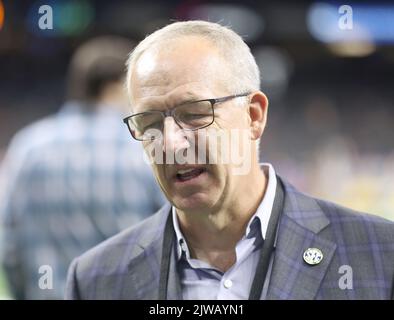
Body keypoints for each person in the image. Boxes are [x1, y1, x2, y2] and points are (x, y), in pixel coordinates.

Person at [65, 21, 394, 300]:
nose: (169, 142)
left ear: (254, 116)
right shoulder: (96, 279)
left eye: (194, 115)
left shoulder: (379, 254)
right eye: (149, 123)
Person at [0, 36, 164, 299]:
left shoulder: (27, 147)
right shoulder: (142, 149)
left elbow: (9, 246)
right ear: (115, 86)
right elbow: (170, 238)